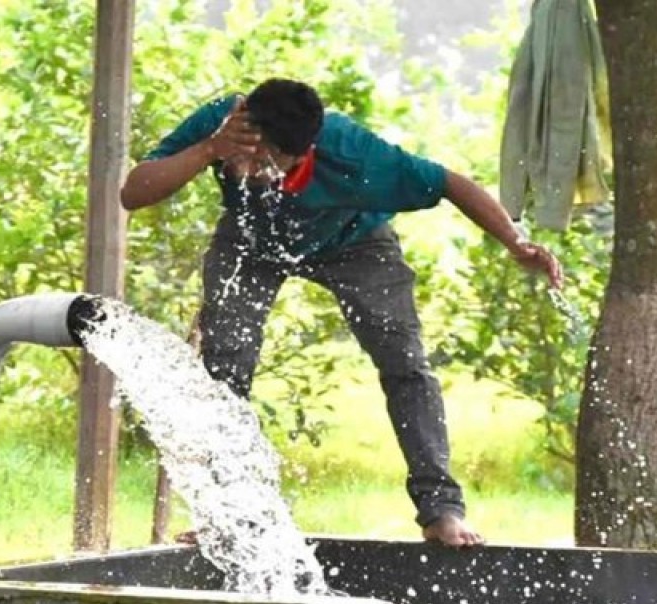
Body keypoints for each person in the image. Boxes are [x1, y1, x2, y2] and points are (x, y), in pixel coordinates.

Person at [121, 78, 563, 547]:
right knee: (224, 365)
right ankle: (230, 518)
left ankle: (441, 512)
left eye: (272, 166)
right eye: (247, 156)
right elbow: (134, 192)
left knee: (404, 363)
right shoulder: (221, 122)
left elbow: (449, 182)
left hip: (355, 243)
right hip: (251, 243)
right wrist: (210, 149)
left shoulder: (357, 155)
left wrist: (515, 242)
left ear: (306, 152)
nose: (254, 172)